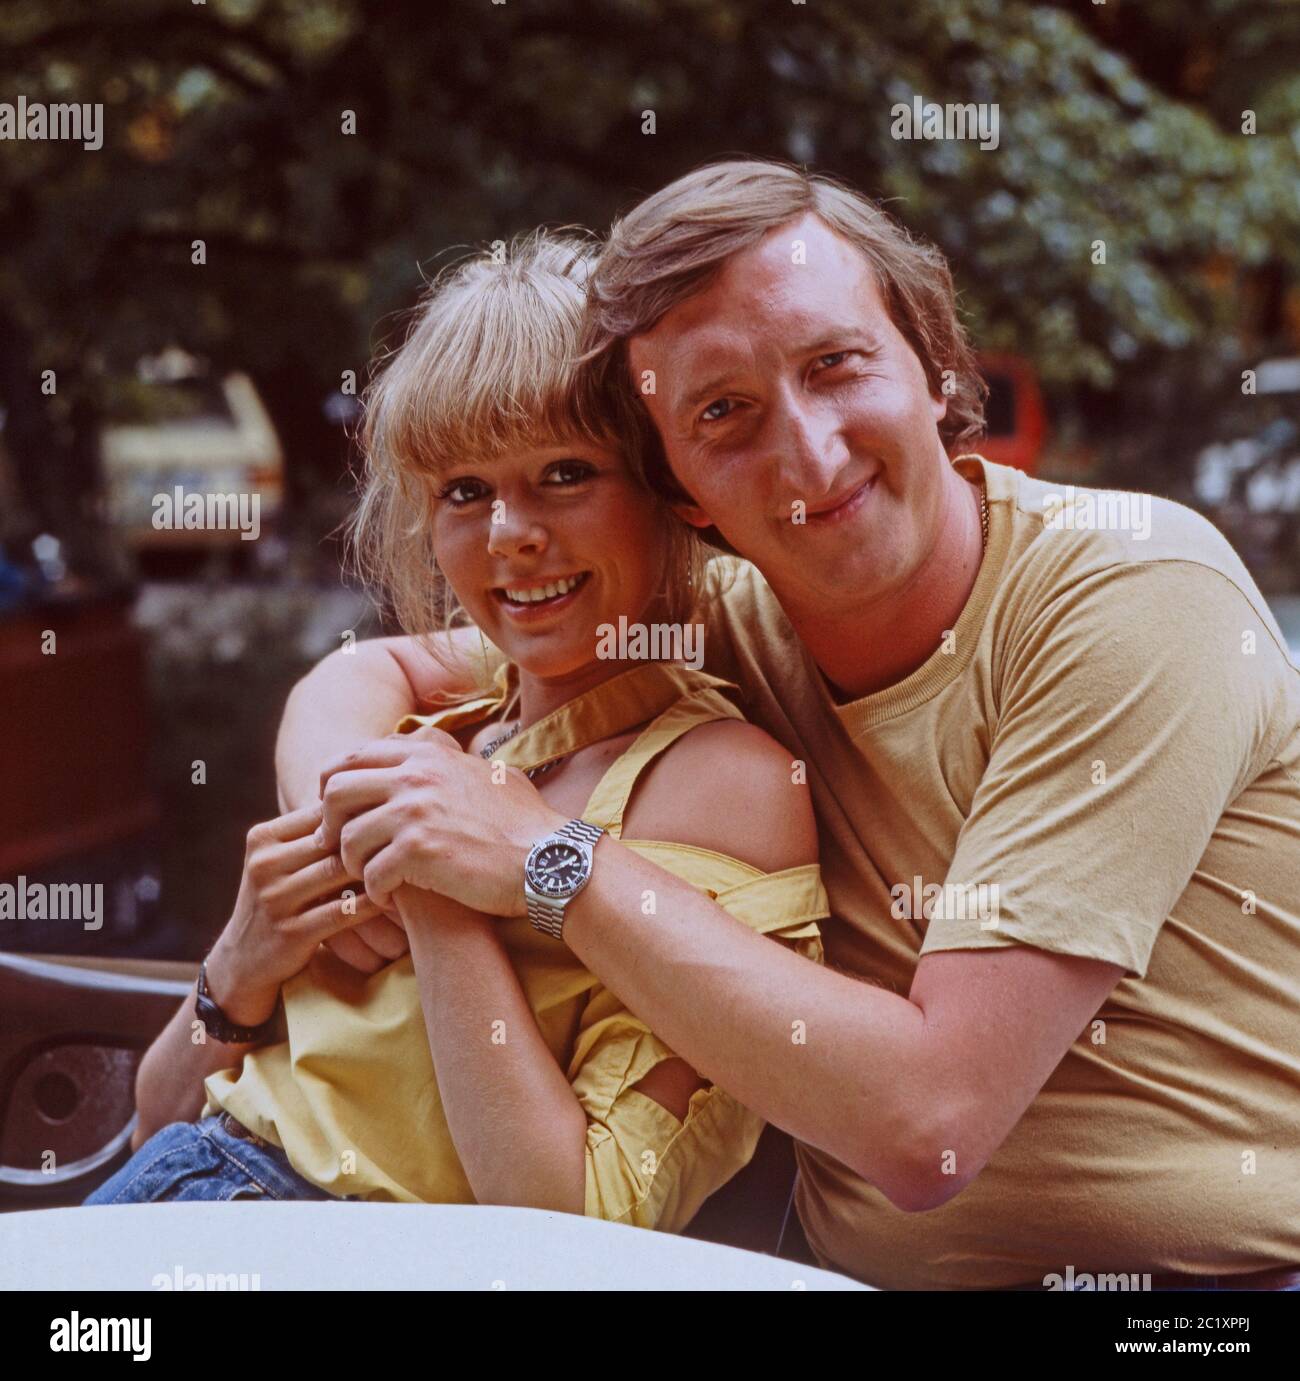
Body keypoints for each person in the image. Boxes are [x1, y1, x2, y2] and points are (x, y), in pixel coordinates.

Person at [282, 160, 1300, 1291]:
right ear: (679, 490)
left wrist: (541, 860)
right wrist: (358, 856)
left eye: (835, 365)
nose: (810, 455)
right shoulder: (726, 608)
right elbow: (372, 675)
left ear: (934, 363)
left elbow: (933, 1126)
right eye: (724, 414)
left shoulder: (1128, 591)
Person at [86, 230, 828, 1230]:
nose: (508, 534)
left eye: (565, 473)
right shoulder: (443, 732)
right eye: (463, 492)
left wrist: (433, 886)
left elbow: (574, 1222)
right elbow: (159, 1125)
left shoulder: (716, 780)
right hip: (177, 1198)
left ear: (670, 494)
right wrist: (240, 967)